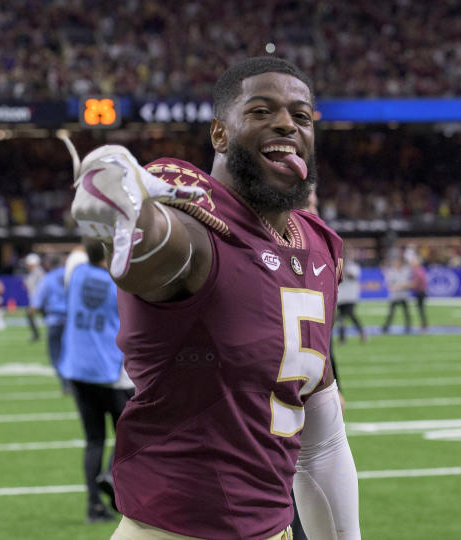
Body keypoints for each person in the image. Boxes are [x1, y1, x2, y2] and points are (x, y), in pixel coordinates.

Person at [58, 56, 359, 539]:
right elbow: (159, 244)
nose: (285, 123)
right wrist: (120, 202)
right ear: (219, 135)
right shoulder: (198, 227)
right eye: (261, 111)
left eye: (300, 116)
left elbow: (321, 441)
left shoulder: (316, 245)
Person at [60, 242, 134, 523]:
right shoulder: (120, 285)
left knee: (94, 440)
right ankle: (110, 476)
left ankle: (93, 506)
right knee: (130, 432)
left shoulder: (77, 274)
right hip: (109, 370)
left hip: (78, 368)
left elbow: (79, 252)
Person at [30, 254, 69, 392]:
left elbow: (36, 305)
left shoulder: (47, 279)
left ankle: (66, 383)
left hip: (55, 320)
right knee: (70, 352)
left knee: (56, 354)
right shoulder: (71, 275)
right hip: (71, 321)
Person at [337, 250, 366, 343]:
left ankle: (362, 332)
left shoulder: (353, 267)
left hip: (350, 296)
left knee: (350, 315)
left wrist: (344, 268)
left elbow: (353, 276)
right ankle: (342, 338)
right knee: (341, 318)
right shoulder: (337, 266)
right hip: (340, 297)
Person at [382, 255, 412, 334]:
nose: (396, 264)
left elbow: (408, 282)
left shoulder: (406, 270)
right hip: (395, 295)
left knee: (406, 312)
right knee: (391, 312)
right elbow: (388, 283)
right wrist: (395, 286)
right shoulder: (391, 271)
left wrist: (399, 286)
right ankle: (386, 326)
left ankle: (408, 326)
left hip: (403, 295)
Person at [23, 253, 44, 342]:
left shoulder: (39, 272)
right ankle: (36, 335)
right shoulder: (33, 273)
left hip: (39, 300)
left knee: (30, 314)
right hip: (35, 299)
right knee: (29, 314)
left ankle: (36, 335)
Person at [410, 256, 429, 330]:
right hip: (420, 291)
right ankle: (423, 324)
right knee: (420, 309)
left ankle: (424, 325)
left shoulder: (417, 271)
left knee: (420, 309)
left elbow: (416, 282)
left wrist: (405, 285)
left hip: (420, 292)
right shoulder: (420, 270)